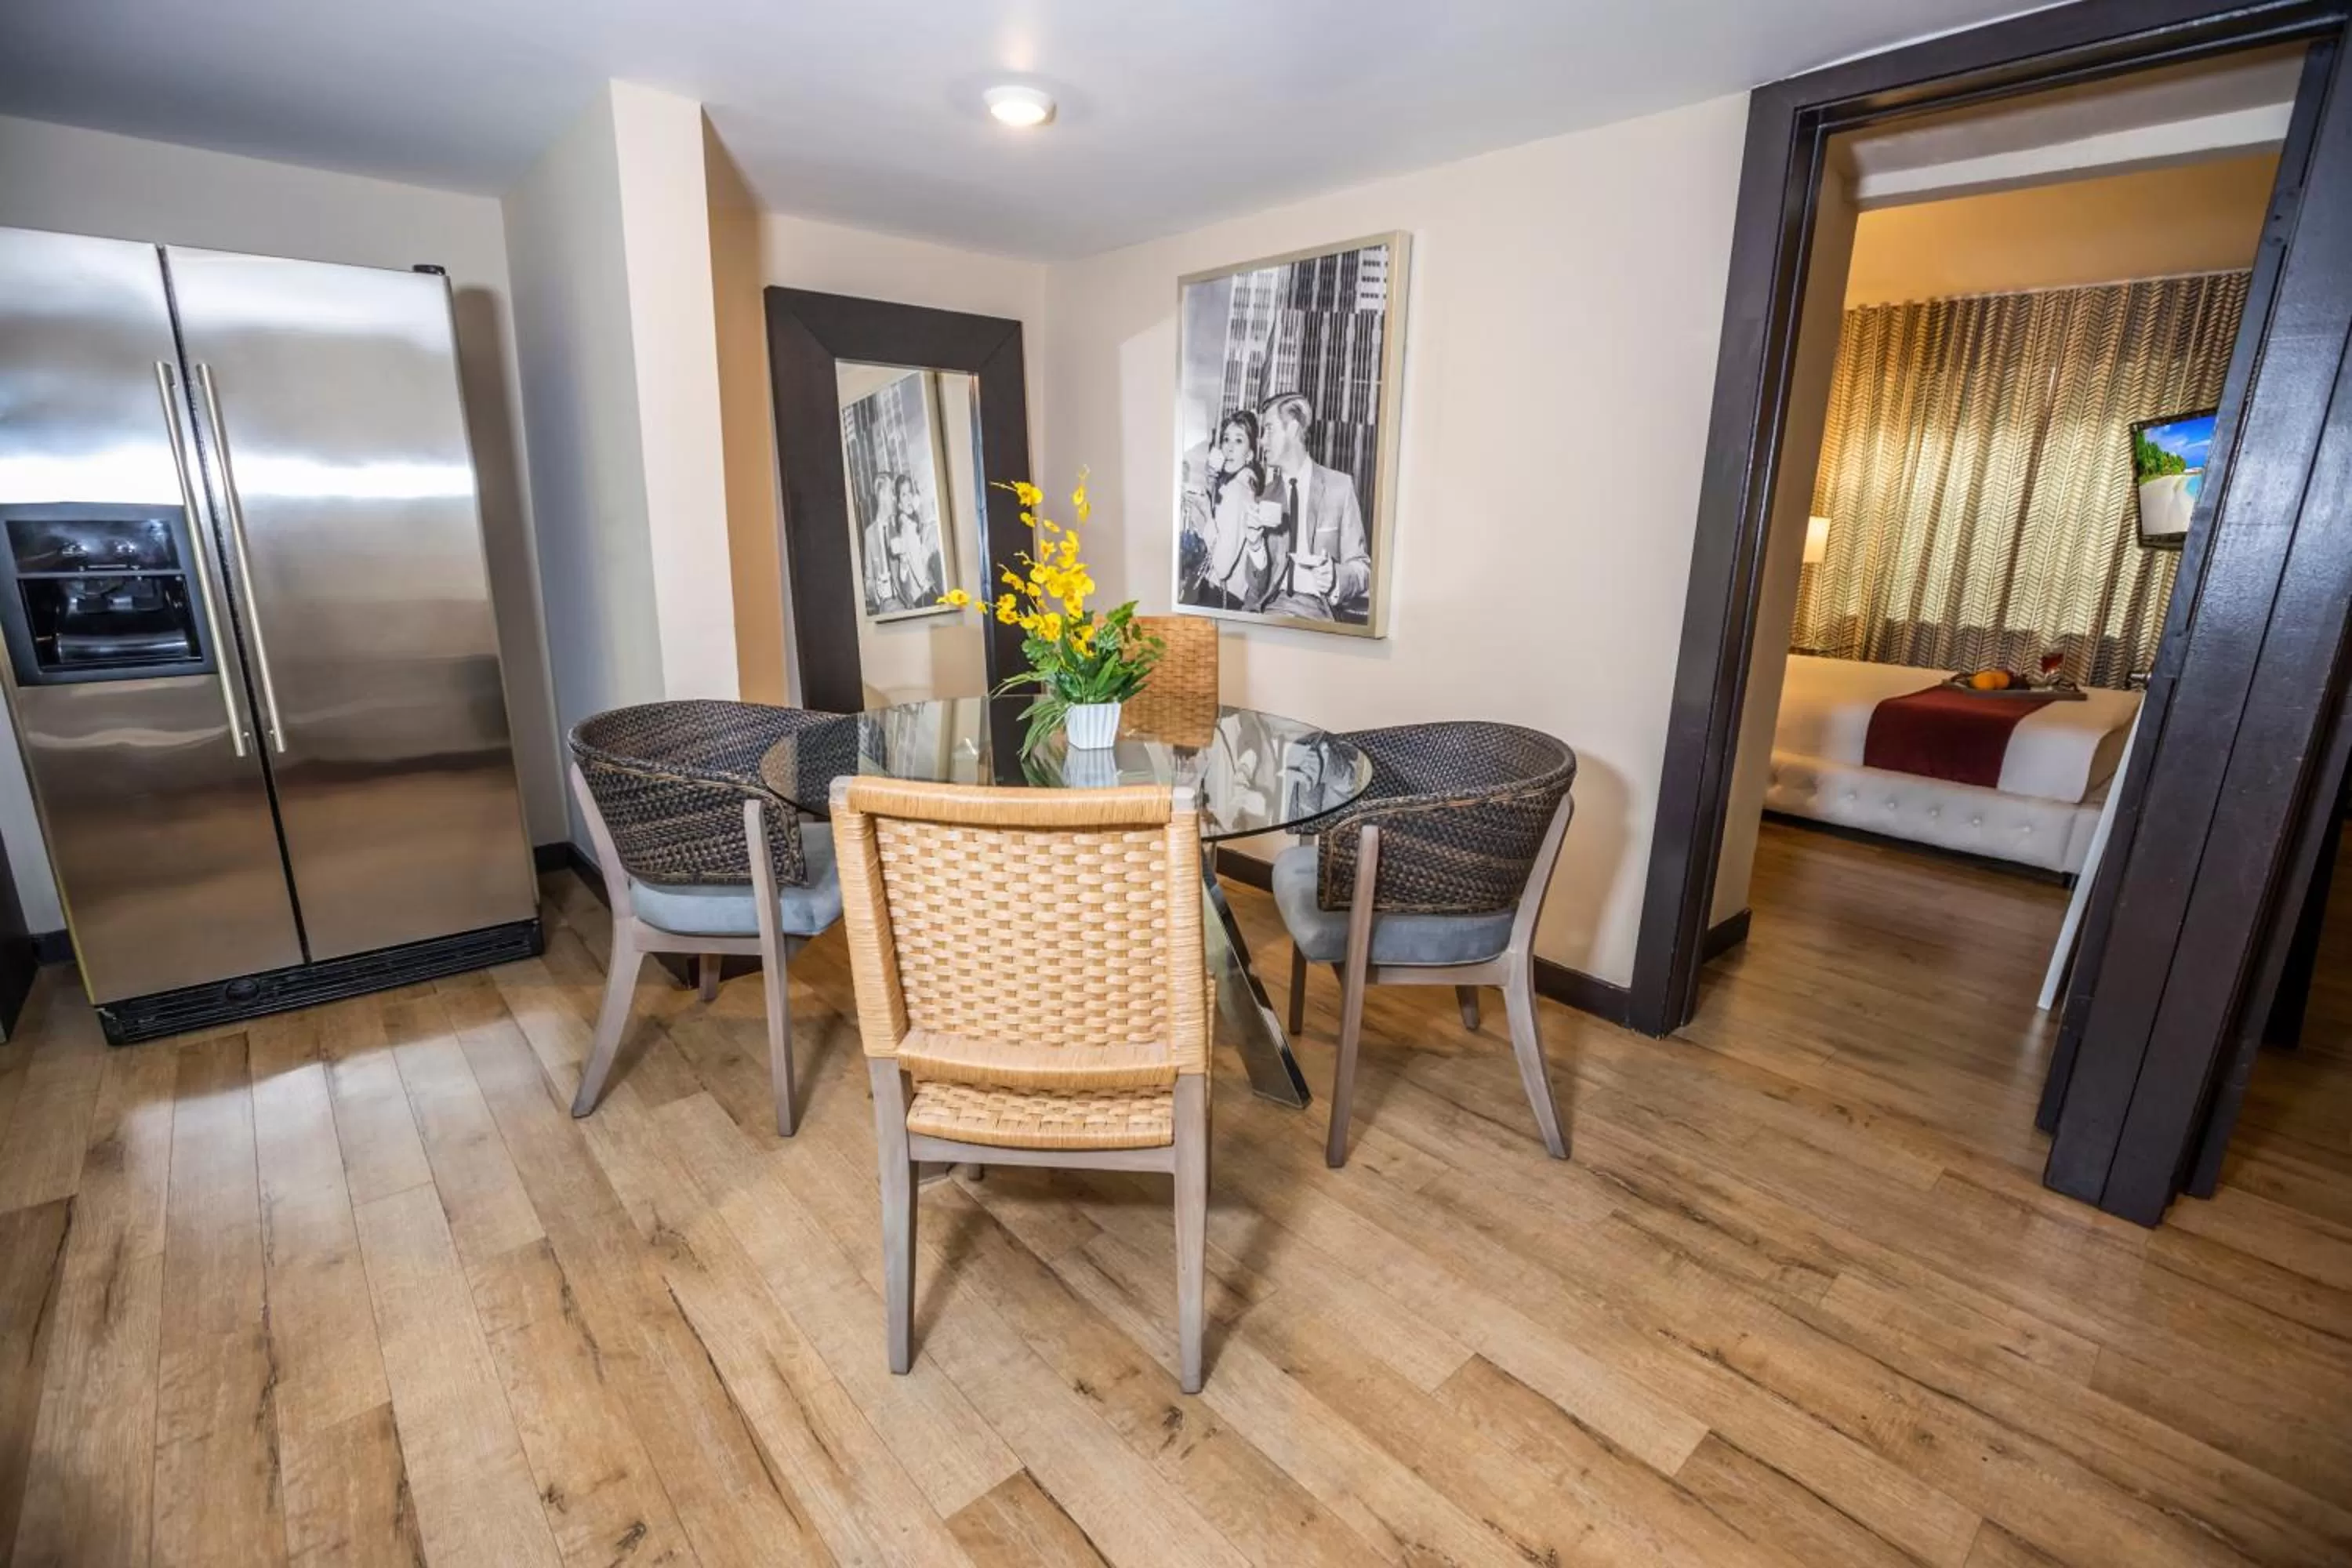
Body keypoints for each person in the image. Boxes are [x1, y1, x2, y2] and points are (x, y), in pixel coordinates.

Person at [1236, 392, 1371, 622]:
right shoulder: (1267, 495)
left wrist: (1336, 577)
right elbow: (1257, 589)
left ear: (1293, 429)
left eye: (1269, 429)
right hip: (1270, 611)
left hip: (1318, 614)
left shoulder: (1339, 487)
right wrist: (1256, 545)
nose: (1261, 440)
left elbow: (1362, 569)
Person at [1182, 409, 1261, 608]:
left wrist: (1207, 513)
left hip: (1221, 597)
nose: (1229, 449)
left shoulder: (1239, 491)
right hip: (1221, 594)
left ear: (1250, 454)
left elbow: (1223, 567)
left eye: (1239, 441)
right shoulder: (1235, 486)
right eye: (1226, 440)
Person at [889, 471, 945, 606]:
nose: (908, 498)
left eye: (910, 493)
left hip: (920, 592)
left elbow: (917, 502)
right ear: (898, 503)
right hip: (922, 592)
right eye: (904, 495)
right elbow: (915, 559)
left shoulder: (909, 521)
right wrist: (925, 584)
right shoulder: (907, 527)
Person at [863, 471, 902, 613]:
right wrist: (876, 590)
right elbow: (868, 581)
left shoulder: (900, 526)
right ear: (881, 495)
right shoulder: (869, 534)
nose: (894, 498)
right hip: (885, 606)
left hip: (904, 602)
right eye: (891, 492)